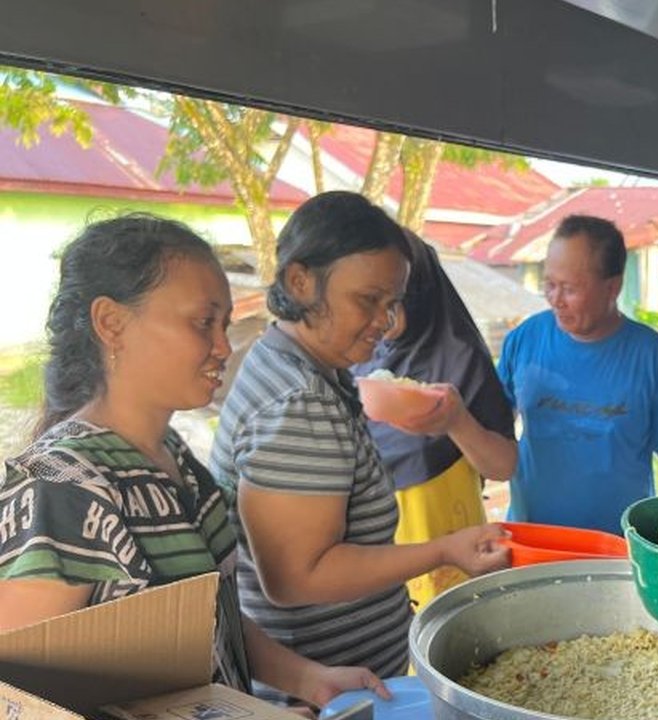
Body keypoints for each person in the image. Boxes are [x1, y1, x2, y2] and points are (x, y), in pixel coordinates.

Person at [0, 215, 388, 709]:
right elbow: (16, 697)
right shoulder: (60, 489)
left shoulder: (181, 463)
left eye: (224, 324)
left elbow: (211, 617)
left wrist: (309, 678)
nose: (224, 347)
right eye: (204, 323)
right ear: (112, 323)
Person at [208, 192, 509, 702]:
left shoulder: (304, 366)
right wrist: (442, 549)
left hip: (347, 678)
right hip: (320, 693)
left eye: (392, 304)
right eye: (368, 301)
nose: (386, 322)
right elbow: (295, 578)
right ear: (301, 281)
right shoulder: (298, 401)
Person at [424, 214, 658, 534]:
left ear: (613, 287)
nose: (555, 300)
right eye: (549, 284)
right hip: (531, 537)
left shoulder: (656, 360)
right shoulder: (523, 340)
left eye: (569, 289)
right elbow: (495, 444)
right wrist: (454, 419)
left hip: (614, 547)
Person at [351, 229, 515, 607]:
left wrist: (456, 421)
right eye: (370, 299)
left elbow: (505, 465)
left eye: (392, 300)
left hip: (443, 526)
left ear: (419, 292)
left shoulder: (459, 356)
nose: (379, 316)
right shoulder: (361, 349)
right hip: (377, 535)